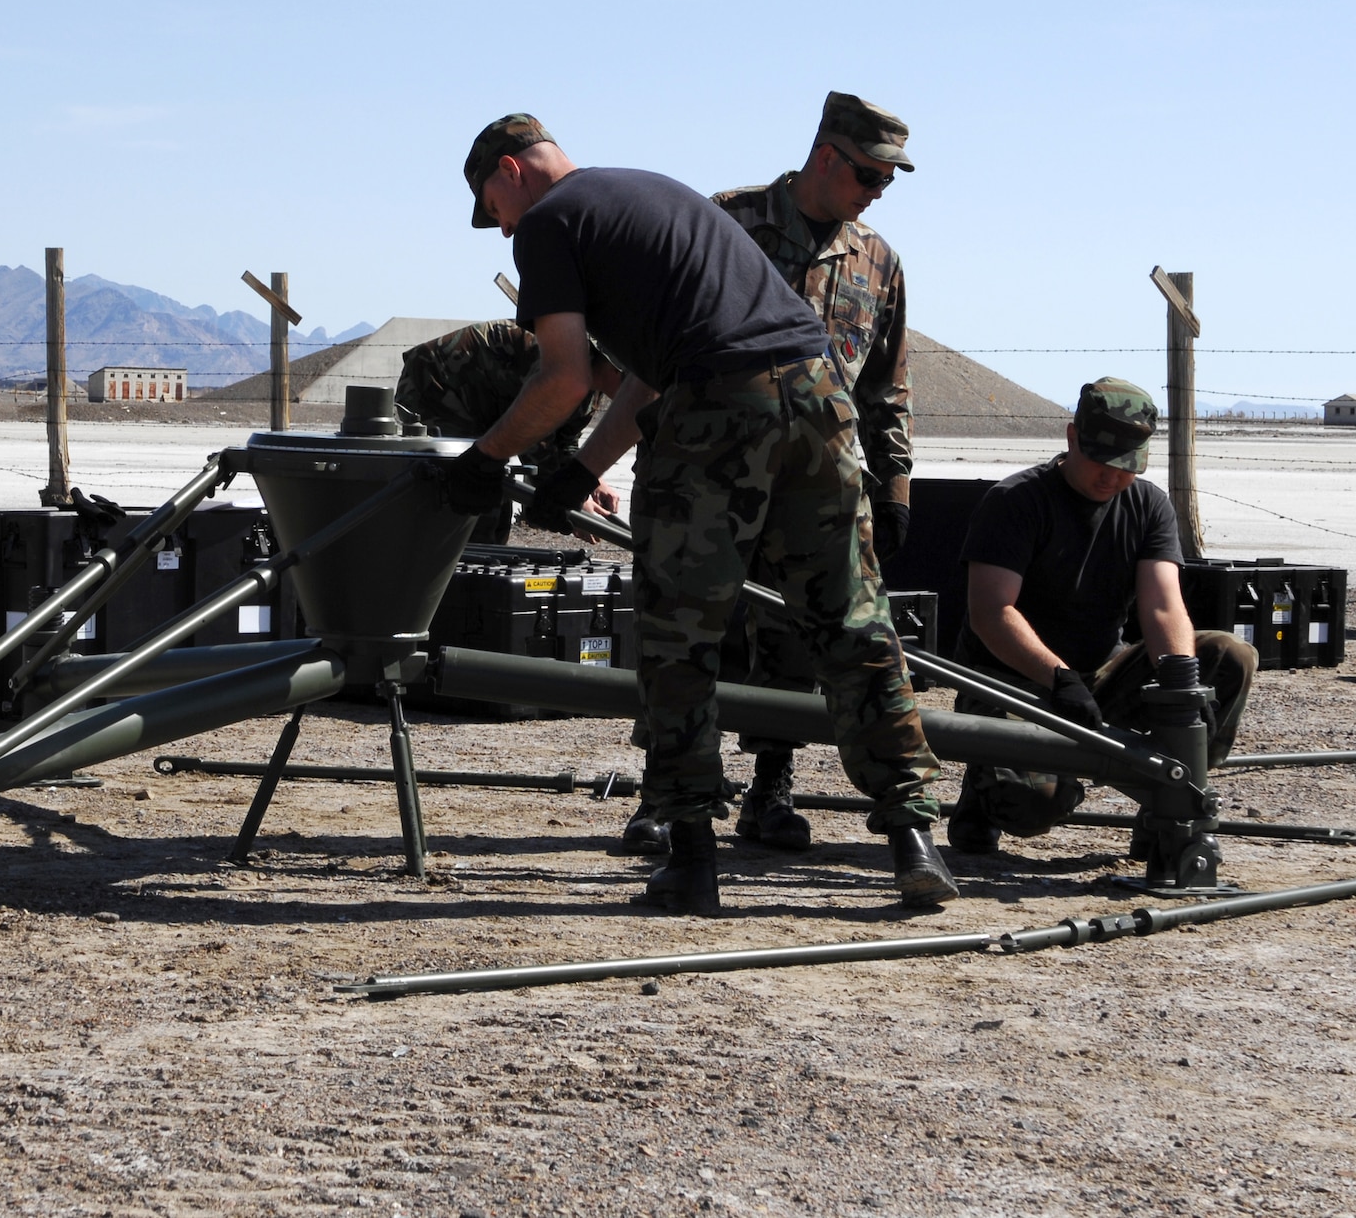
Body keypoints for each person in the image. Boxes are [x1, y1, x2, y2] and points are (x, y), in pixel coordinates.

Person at [438, 113, 955, 914]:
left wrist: (484, 458)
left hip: (719, 406)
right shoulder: (654, 193)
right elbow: (652, 374)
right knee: (853, 624)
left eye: (491, 207)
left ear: (509, 171)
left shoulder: (546, 223)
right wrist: (578, 471)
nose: (498, 226)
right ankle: (913, 838)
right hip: (818, 399)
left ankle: (688, 853)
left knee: (681, 634)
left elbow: (565, 376)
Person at [648, 92, 915, 856]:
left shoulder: (878, 260)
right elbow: (653, 341)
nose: (877, 192)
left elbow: (885, 390)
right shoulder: (725, 221)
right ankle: (664, 798)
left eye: (889, 181)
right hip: (709, 472)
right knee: (686, 632)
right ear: (825, 155)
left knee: (793, 639)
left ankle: (771, 786)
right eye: (868, 174)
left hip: (814, 478)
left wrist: (893, 489)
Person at [948, 379, 1256, 853]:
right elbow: (992, 613)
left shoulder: (1149, 505)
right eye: (1100, 460)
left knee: (1228, 655)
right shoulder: (1016, 502)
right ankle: (985, 792)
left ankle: (1167, 807)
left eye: (1126, 466)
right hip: (1010, 684)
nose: (1111, 476)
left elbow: (1162, 604)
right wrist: (1058, 679)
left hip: (1098, 674)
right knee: (1032, 806)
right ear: (1072, 438)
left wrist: (1181, 683)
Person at [395, 319, 621, 542]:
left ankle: (486, 562)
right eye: (630, 383)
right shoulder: (566, 361)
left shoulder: (591, 388)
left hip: (481, 406)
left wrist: (593, 480)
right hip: (436, 382)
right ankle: (457, 568)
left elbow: (565, 442)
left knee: (494, 497)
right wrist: (576, 501)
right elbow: (535, 438)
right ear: (614, 369)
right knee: (472, 491)